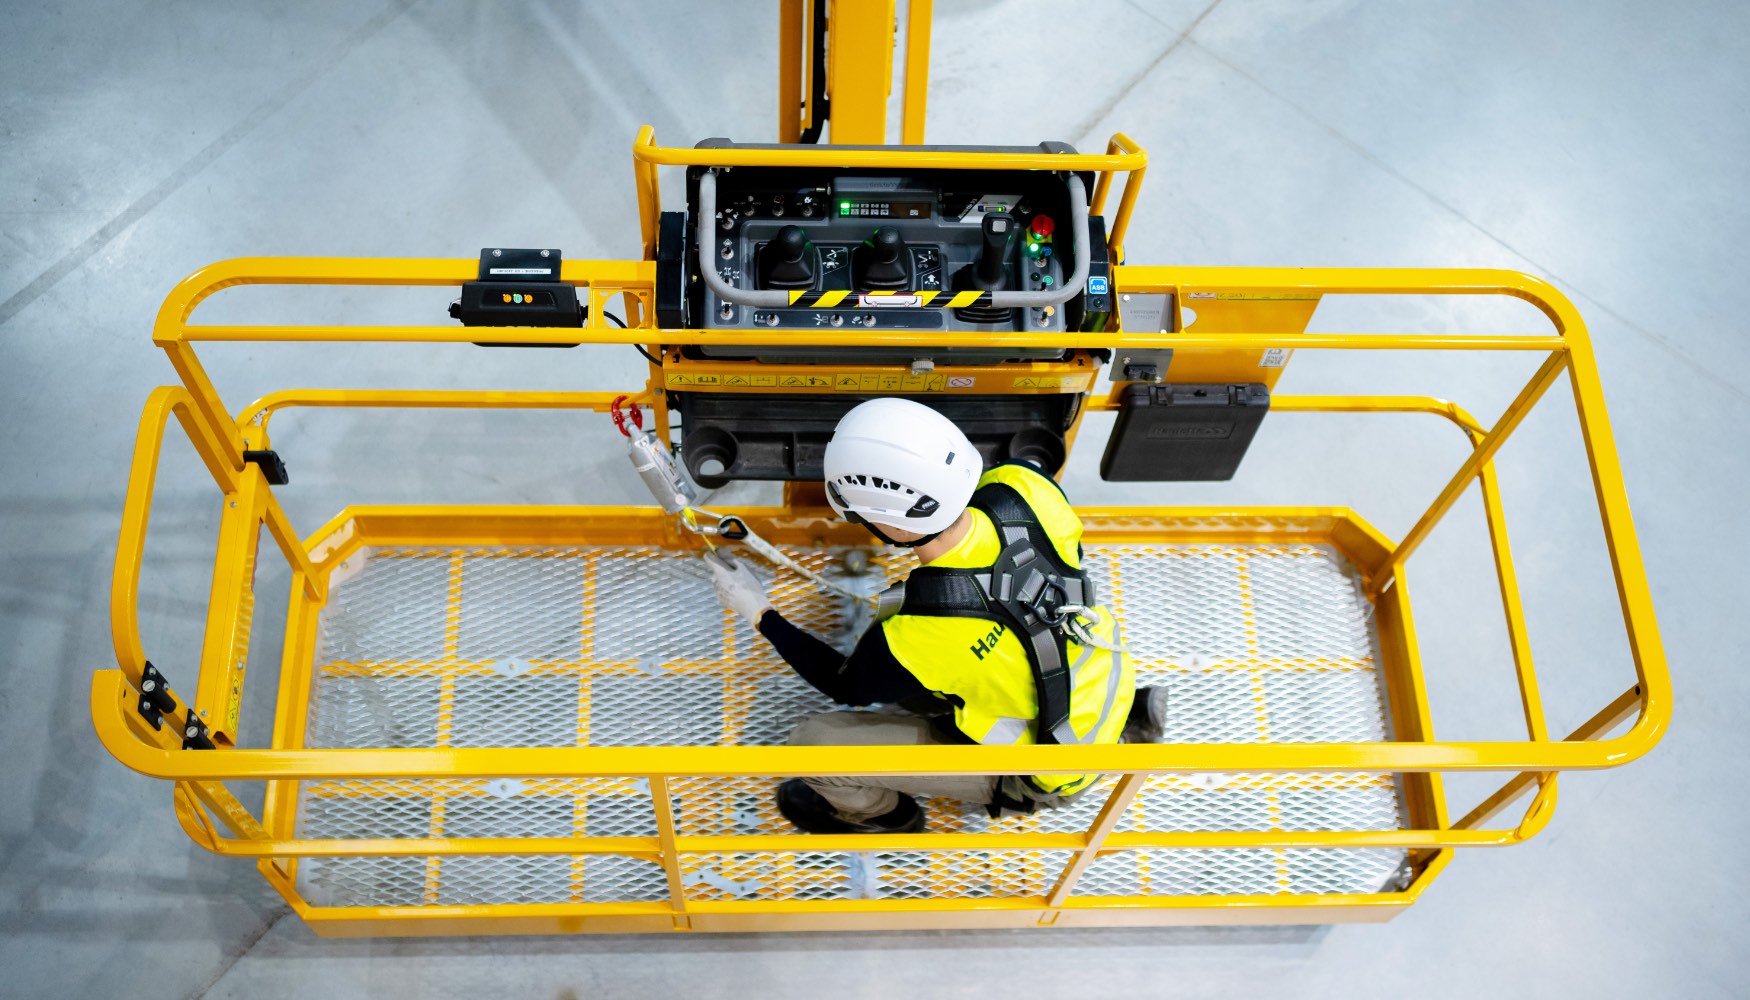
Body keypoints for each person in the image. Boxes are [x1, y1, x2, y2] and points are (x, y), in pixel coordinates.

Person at [706, 397, 1168, 834]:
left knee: (811, 745)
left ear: (884, 522)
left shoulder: (922, 628)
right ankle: (1127, 722)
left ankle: (886, 817)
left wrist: (759, 611)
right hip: (1105, 683)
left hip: (1048, 768)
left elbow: (845, 685)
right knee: (939, 679)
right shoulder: (1024, 486)